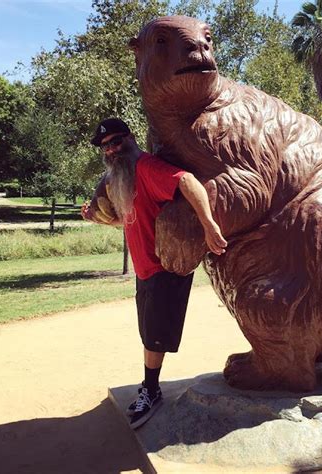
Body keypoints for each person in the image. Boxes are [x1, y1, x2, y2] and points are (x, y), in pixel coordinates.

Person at [82, 118, 227, 429]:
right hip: (145, 268)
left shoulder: (147, 167)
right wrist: (98, 219)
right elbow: (129, 220)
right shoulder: (124, 179)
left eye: (116, 142)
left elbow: (187, 181)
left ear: (131, 138)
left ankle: (150, 390)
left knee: (154, 337)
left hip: (163, 267)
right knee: (149, 334)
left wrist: (208, 224)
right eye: (106, 147)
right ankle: (151, 386)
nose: (111, 150)